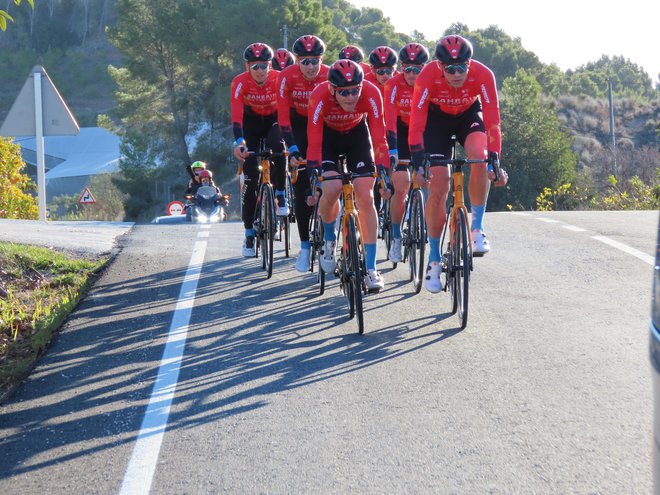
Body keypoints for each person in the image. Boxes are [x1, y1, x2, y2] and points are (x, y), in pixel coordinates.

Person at [408, 35, 508, 293]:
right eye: (450, 68)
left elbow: (493, 121)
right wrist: (418, 163)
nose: (456, 74)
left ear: (469, 63)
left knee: (479, 155)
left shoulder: (483, 74)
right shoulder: (427, 76)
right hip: (436, 122)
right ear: (440, 66)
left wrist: (494, 160)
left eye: (461, 67)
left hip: (468, 116)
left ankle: (476, 228)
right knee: (439, 185)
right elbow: (417, 123)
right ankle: (433, 259)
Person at [306, 59, 389, 291]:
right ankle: (330, 239)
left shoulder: (372, 93)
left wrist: (382, 167)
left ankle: (371, 268)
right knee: (331, 188)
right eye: (344, 92)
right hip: (327, 139)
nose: (351, 97)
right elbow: (313, 138)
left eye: (355, 90)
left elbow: (379, 135)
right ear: (333, 89)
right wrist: (313, 169)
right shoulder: (319, 95)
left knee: (366, 195)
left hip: (357, 137)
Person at [276, 35, 330, 273]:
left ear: (322, 59)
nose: (310, 66)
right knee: (300, 190)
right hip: (297, 126)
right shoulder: (286, 76)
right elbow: (283, 117)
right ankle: (305, 246)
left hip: (327, 124)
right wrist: (293, 148)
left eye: (315, 60)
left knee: (332, 179)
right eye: (304, 61)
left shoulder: (331, 74)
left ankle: (332, 236)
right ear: (296, 60)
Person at [231, 42, 288, 257]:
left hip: (274, 121)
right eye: (255, 66)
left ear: (270, 65)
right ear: (247, 66)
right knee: (251, 179)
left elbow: (285, 113)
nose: (260, 71)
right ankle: (248, 234)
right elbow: (236, 118)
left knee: (278, 146)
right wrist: (240, 143)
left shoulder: (278, 79)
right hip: (250, 125)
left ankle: (280, 194)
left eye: (264, 65)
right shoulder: (239, 82)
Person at [383, 42, 430, 263]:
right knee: (400, 185)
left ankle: (425, 219)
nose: (411, 74)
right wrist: (392, 150)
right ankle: (395, 236)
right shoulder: (392, 85)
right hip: (400, 132)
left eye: (417, 69)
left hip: (424, 130)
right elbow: (389, 121)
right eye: (407, 69)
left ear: (425, 67)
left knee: (431, 174)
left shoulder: (430, 82)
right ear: (400, 68)